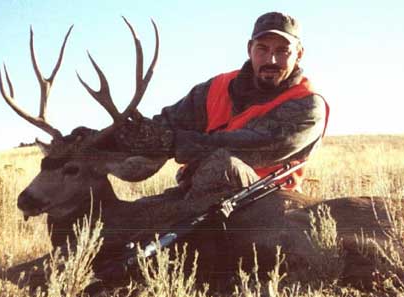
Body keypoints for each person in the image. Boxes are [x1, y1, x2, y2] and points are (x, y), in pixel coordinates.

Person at [113, 11, 329, 198]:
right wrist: (112, 138)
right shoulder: (218, 87)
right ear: (249, 49)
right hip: (199, 193)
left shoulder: (308, 104)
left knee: (222, 164)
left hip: (270, 203)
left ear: (299, 54)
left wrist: (173, 142)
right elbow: (167, 125)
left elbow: (250, 146)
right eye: (262, 49)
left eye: (283, 51)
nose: (271, 60)